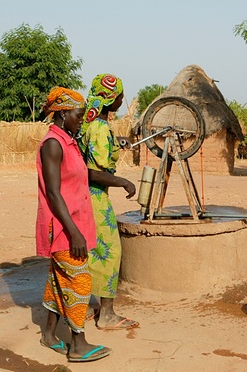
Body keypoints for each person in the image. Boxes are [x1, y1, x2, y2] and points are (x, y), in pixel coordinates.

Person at [36, 87, 110, 362]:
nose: (82, 119)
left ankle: (48, 335)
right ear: (64, 113)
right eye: (78, 115)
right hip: (64, 229)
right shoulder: (52, 144)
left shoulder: (67, 141)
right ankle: (78, 345)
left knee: (58, 282)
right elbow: (54, 193)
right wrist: (75, 233)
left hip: (72, 224)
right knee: (79, 282)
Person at [77, 73, 139, 330]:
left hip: (82, 197)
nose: (123, 99)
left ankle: (86, 306)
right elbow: (93, 171)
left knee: (89, 251)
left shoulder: (88, 124)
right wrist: (124, 181)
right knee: (110, 252)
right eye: (120, 95)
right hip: (96, 198)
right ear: (110, 98)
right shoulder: (101, 128)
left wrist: (117, 144)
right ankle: (107, 315)